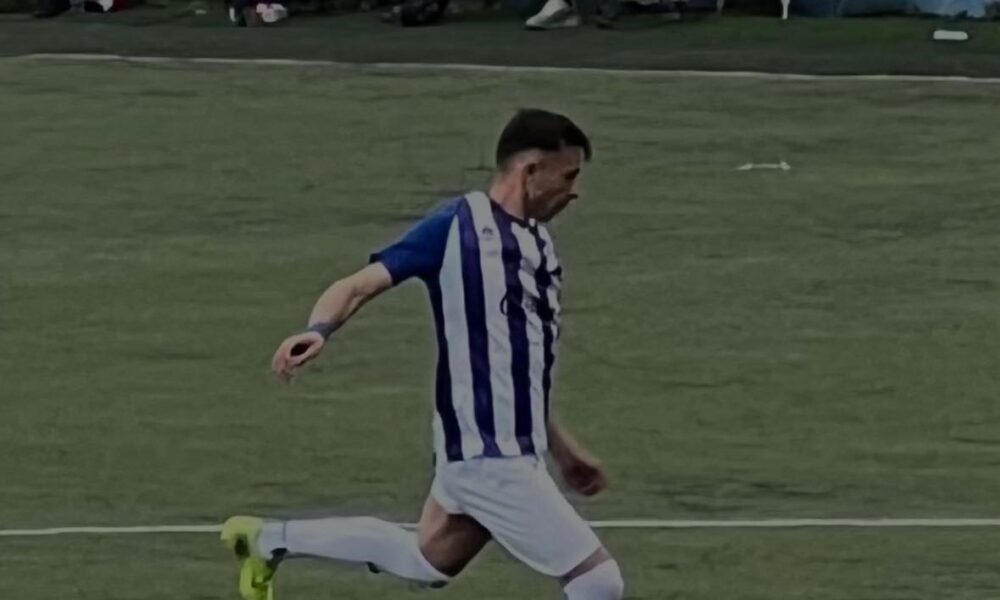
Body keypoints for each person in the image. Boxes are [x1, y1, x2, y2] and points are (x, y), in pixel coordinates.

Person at [220, 108, 625, 600]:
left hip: (509, 451)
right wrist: (318, 329)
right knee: (597, 581)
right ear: (531, 171)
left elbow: (520, 368)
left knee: (426, 561)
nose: (575, 191)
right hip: (487, 458)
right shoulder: (458, 227)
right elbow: (357, 285)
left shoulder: (539, 246)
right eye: (569, 176)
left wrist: (561, 449)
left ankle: (267, 540)